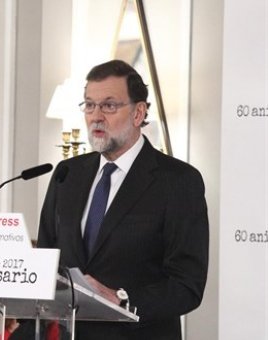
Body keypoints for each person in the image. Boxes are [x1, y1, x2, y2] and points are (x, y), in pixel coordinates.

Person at [36, 59, 209, 340]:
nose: (96, 116)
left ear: (138, 112)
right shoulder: (67, 173)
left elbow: (187, 285)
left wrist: (122, 299)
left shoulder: (178, 181)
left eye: (109, 105)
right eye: (89, 105)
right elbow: (47, 260)